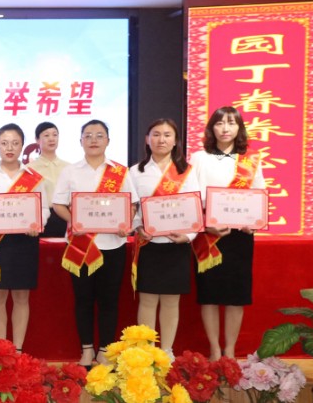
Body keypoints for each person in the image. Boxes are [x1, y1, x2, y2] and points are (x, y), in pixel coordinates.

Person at [52, 120, 138, 368]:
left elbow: (131, 204)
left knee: (109, 300)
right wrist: (74, 221)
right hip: (81, 245)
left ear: (108, 141)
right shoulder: (70, 171)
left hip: (113, 244)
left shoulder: (120, 172)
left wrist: (126, 223)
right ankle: (87, 349)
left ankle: (105, 350)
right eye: (88, 135)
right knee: (84, 299)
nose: (93, 140)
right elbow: (58, 204)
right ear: (80, 141)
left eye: (99, 135)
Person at [190, 106, 264, 360]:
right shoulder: (199, 158)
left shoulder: (250, 159)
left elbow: (259, 195)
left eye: (231, 123)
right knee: (209, 294)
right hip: (209, 234)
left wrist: (253, 221)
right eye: (220, 123)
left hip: (240, 236)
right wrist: (205, 224)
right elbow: (191, 196)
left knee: (236, 295)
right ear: (211, 128)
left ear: (239, 128)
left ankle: (230, 349)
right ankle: (214, 348)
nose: (225, 128)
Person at [0, 124, 48, 353]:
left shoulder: (34, 177)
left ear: (22, 145)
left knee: (22, 296)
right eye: (4, 143)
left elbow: (44, 208)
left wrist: (38, 224)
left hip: (25, 241)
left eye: (15, 143)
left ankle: (18, 350)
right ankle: (1, 350)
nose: (10, 148)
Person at [131, 119, 200, 358]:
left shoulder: (186, 171)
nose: (161, 139)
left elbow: (195, 207)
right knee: (147, 300)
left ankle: (167, 351)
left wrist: (188, 236)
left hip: (176, 244)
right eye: (156, 134)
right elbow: (131, 209)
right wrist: (138, 227)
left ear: (175, 140)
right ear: (147, 139)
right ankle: (146, 351)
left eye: (167, 135)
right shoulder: (136, 171)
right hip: (149, 244)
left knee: (171, 301)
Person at [28, 122, 71, 237]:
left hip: (66, 218)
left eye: (55, 135)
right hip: (41, 219)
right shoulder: (29, 169)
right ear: (37, 140)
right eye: (46, 135)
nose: (51, 139)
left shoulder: (69, 167)